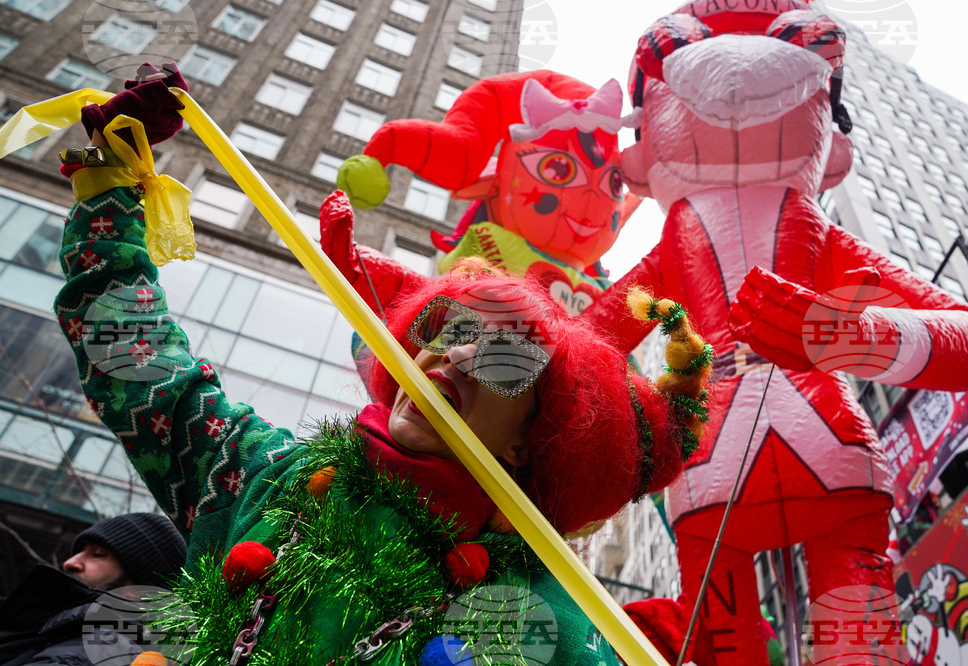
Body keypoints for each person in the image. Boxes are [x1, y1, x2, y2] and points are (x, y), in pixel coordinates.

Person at [46, 64, 713, 665]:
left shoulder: (538, 621)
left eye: (505, 354)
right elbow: (136, 362)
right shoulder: (264, 478)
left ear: (530, 439)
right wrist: (107, 180)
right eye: (446, 327)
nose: (454, 354)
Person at [0, 513, 186, 665]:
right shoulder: (63, 633)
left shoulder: (102, 647)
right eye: (80, 552)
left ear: (137, 590)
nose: (70, 563)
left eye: (97, 555)